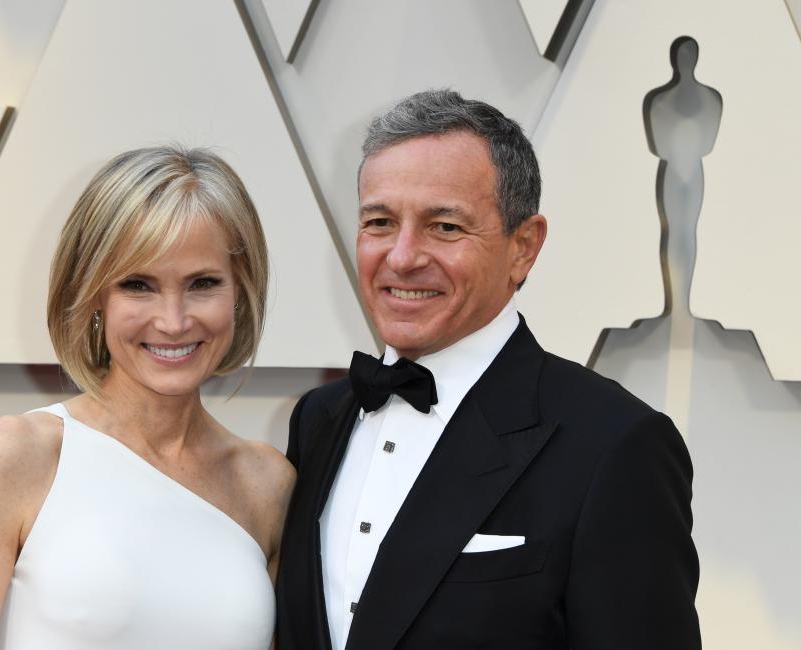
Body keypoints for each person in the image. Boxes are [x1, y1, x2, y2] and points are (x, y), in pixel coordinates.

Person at [276, 90, 700, 649]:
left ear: (523, 246)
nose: (401, 257)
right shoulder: (318, 420)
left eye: (444, 227)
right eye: (379, 222)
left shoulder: (616, 445)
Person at [0, 146, 295, 649]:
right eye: (138, 285)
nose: (173, 320)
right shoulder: (15, 455)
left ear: (240, 291)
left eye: (203, 284)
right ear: (94, 294)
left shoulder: (266, 482)